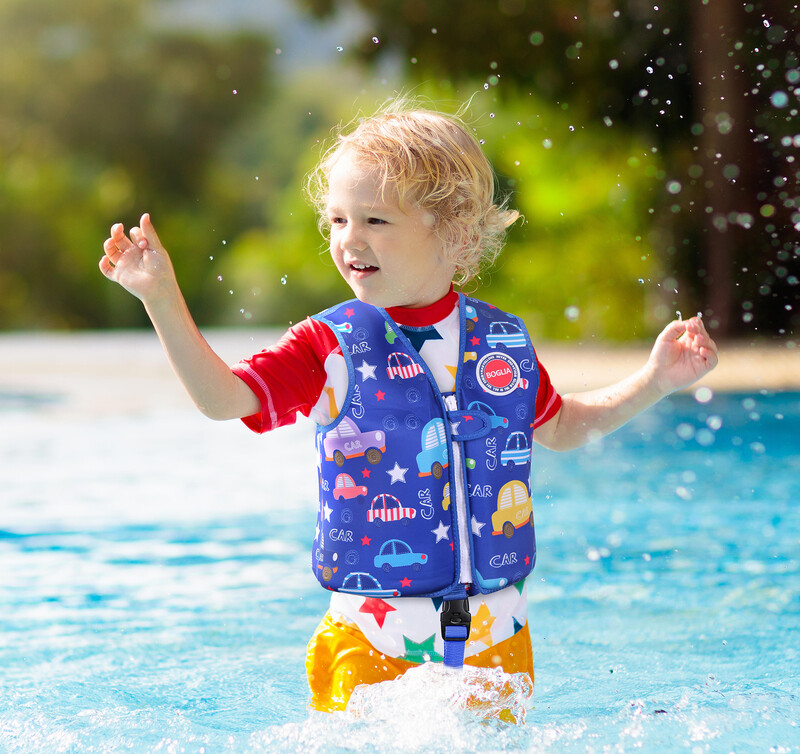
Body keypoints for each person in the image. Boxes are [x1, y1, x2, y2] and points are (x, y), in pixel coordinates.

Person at [99, 98, 718, 714]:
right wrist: (160, 297)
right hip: (371, 641)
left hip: (496, 642)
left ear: (452, 230)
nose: (349, 240)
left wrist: (656, 379)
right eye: (337, 220)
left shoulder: (500, 342)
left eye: (375, 221)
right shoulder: (327, 347)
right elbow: (222, 399)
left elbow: (560, 426)